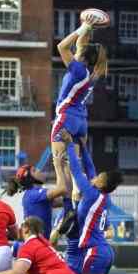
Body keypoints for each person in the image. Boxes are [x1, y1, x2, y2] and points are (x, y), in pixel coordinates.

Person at [51, 14, 109, 213]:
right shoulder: (91, 72)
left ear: (82, 54)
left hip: (66, 117)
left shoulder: (77, 70)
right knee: (74, 164)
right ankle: (76, 192)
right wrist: (88, 27)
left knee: (60, 164)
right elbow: (82, 45)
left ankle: (69, 199)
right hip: (81, 120)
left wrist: (81, 28)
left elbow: (62, 46)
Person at [65, 135, 123, 274]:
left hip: (95, 251)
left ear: (102, 183)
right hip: (105, 251)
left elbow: (75, 169)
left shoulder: (90, 194)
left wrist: (68, 144)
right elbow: (90, 168)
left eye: (99, 177)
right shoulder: (104, 197)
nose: (95, 176)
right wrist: (83, 146)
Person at [7, 164, 67, 242]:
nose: (39, 171)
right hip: (36, 243)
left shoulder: (35, 193)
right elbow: (62, 189)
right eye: (34, 170)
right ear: (29, 178)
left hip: (40, 242)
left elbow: (64, 201)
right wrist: (58, 165)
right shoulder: (33, 194)